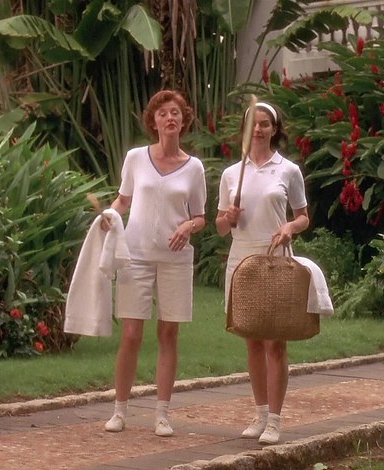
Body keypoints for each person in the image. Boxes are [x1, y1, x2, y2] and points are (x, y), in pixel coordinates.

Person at [102, 90, 207, 437]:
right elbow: (123, 199)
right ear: (154, 122)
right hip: (136, 254)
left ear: (183, 119)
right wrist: (109, 215)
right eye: (163, 113)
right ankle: (119, 411)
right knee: (131, 334)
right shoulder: (136, 158)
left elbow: (201, 217)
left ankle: (162, 414)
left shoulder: (194, 167)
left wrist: (188, 227)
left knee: (168, 332)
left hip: (175, 259)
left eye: (175, 112)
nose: (169, 118)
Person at [216, 102, 310, 445]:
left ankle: (275, 419)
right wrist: (228, 217)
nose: (258, 129)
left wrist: (289, 227)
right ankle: (259, 413)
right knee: (252, 339)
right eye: (253, 124)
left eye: (265, 124)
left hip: (274, 258)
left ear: (274, 129)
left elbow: (303, 216)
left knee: (275, 341)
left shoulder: (288, 170)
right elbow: (221, 228)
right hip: (241, 260)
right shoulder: (232, 174)